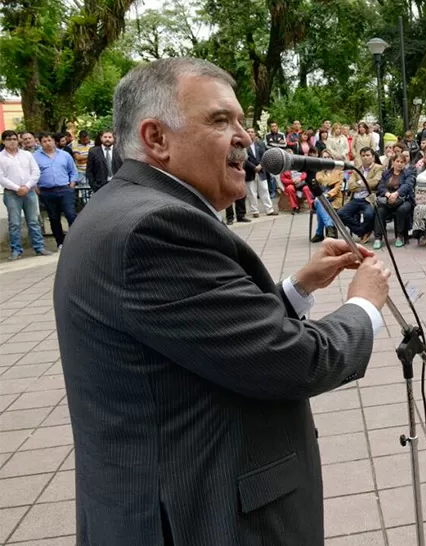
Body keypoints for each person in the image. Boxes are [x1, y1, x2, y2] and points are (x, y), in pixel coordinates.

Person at [53, 58, 391, 545]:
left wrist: (299, 286)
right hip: (200, 517)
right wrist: (364, 307)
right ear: (156, 139)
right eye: (219, 120)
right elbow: (293, 362)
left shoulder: (126, 208)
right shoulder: (156, 228)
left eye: (240, 120)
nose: (246, 137)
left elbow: (207, 334)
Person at [0, 130, 50, 259]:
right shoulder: (1, 157)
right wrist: (17, 188)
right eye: (9, 139)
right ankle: (16, 250)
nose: (12, 141)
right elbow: (1, 177)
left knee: (33, 221)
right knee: (14, 223)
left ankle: (39, 247)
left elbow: (36, 172)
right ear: (4, 141)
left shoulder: (26, 155)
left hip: (29, 191)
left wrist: (27, 186)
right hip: (11, 193)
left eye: (14, 139)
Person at [34, 132, 80, 249]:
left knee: (70, 214)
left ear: (54, 141)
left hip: (65, 189)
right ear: (40, 143)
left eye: (49, 140)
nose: (47, 143)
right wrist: (36, 187)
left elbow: (73, 171)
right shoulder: (35, 157)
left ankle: (76, 240)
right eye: (44, 141)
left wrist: (72, 183)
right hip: (46, 191)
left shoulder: (64, 155)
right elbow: (32, 173)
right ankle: (60, 242)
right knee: (54, 218)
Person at [338, 147, 382, 243]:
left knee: (369, 214)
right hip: (355, 199)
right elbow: (350, 186)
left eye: (367, 155)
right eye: (363, 156)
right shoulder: (356, 169)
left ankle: (363, 232)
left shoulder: (378, 168)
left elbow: (375, 182)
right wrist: (364, 185)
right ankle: (362, 232)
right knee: (341, 214)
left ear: (373, 157)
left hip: (368, 199)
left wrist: (359, 183)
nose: (365, 158)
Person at [375, 154, 415, 248]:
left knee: (402, 209)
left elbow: (407, 185)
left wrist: (396, 194)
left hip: (404, 199)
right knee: (379, 210)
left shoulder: (408, 173)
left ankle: (400, 236)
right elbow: (381, 186)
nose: (399, 164)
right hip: (388, 199)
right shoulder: (386, 173)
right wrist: (388, 194)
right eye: (397, 161)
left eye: (402, 162)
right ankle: (378, 238)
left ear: (405, 163)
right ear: (393, 162)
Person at [244, 127, 275, 217]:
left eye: (252, 132)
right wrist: (254, 167)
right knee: (251, 192)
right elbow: (244, 159)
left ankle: (269, 210)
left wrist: (261, 165)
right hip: (250, 171)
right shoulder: (243, 145)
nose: (250, 133)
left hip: (261, 170)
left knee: (265, 190)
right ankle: (255, 211)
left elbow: (265, 155)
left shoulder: (260, 144)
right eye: (248, 132)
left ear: (255, 134)